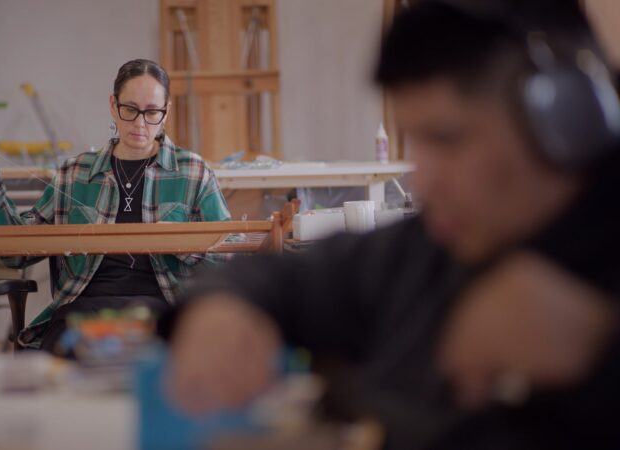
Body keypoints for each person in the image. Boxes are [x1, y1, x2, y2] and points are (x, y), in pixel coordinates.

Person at [164, 1, 620, 449]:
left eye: (448, 139)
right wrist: (223, 303)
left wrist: (600, 351)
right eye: (415, 140)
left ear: (570, 123)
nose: (423, 179)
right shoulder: (429, 249)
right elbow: (289, 275)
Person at [0, 59, 231, 351]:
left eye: (152, 112)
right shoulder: (74, 173)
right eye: (130, 109)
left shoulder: (192, 172)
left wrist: (184, 244)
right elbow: (14, 253)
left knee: (165, 356)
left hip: (161, 313)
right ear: (113, 105)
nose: (140, 123)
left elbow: (231, 252)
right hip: (83, 314)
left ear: (166, 111)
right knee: (68, 357)